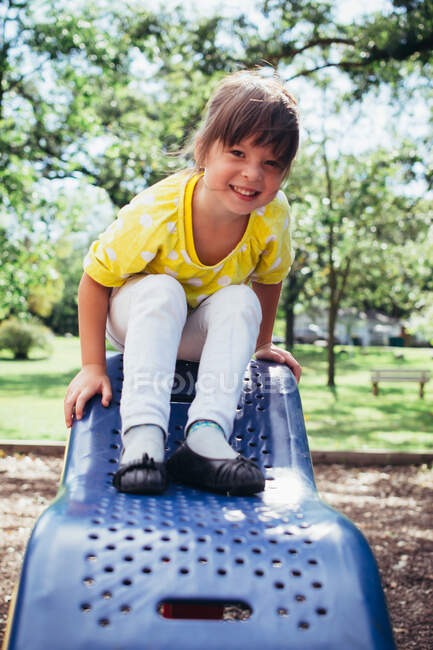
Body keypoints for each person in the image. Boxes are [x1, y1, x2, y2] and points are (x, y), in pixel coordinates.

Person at [64, 69, 302, 497]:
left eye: (271, 163)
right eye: (237, 152)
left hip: (198, 329)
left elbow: (269, 279)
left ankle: (205, 438)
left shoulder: (273, 215)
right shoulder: (158, 209)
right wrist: (93, 366)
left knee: (239, 300)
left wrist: (262, 343)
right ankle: (142, 438)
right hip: (138, 315)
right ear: (203, 151)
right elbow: (95, 280)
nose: (252, 174)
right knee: (162, 289)